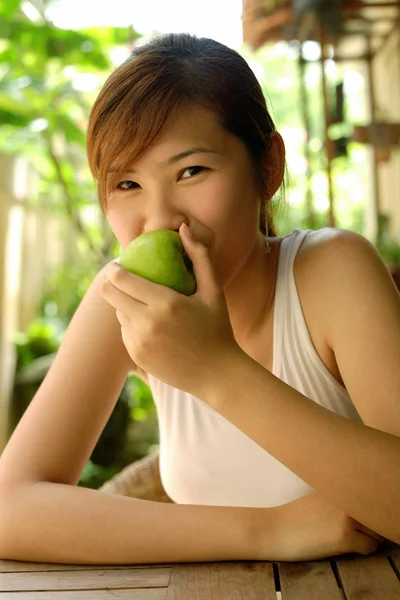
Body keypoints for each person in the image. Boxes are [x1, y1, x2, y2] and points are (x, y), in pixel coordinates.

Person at [0, 33, 399, 566]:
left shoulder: (330, 271)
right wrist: (269, 531)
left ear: (268, 165)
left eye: (191, 171)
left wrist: (215, 371)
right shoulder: (125, 301)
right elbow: (10, 507)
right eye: (126, 184)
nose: (161, 219)